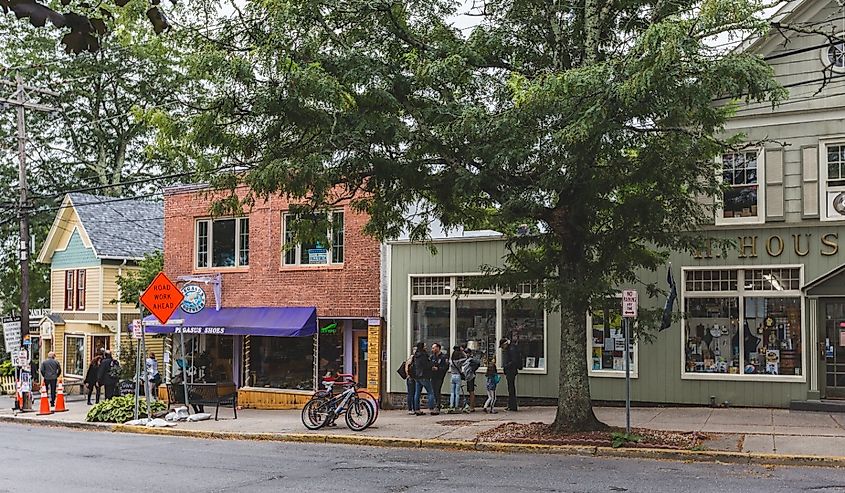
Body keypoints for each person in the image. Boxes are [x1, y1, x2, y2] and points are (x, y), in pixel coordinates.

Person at [412, 342, 436, 415]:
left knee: (417, 393)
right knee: (430, 392)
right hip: (424, 375)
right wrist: (432, 364)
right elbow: (426, 365)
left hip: (417, 376)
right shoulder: (423, 355)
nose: (426, 347)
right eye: (424, 346)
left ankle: (417, 409)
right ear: (422, 347)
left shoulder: (416, 355)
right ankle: (431, 409)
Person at [500, 338, 522, 411]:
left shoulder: (511, 349)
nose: (502, 348)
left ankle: (512, 406)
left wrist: (506, 366)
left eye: (502, 346)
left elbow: (514, 361)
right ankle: (511, 405)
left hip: (511, 371)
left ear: (505, 344)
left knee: (511, 388)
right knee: (510, 388)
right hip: (510, 371)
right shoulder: (511, 348)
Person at [429, 343, 448, 412]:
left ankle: (437, 405)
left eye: (434, 348)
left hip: (439, 376)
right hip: (432, 376)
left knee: (437, 390)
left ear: (438, 348)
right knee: (434, 391)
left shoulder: (443, 357)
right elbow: (429, 364)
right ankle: (435, 404)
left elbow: (446, 367)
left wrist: (438, 369)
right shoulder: (432, 357)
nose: (432, 349)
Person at [448, 346, 467, 412]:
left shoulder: (451, 361)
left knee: (452, 392)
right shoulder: (459, 361)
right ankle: (456, 406)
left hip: (452, 376)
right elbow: (466, 357)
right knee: (457, 392)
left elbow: (450, 359)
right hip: (458, 376)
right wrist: (462, 351)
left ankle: (451, 405)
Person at [404, 347, 417, 415]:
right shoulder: (411, 358)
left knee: (413, 393)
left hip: (412, 378)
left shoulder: (414, 358)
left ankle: (414, 408)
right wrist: (408, 375)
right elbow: (406, 368)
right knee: (411, 393)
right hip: (411, 378)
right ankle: (411, 408)